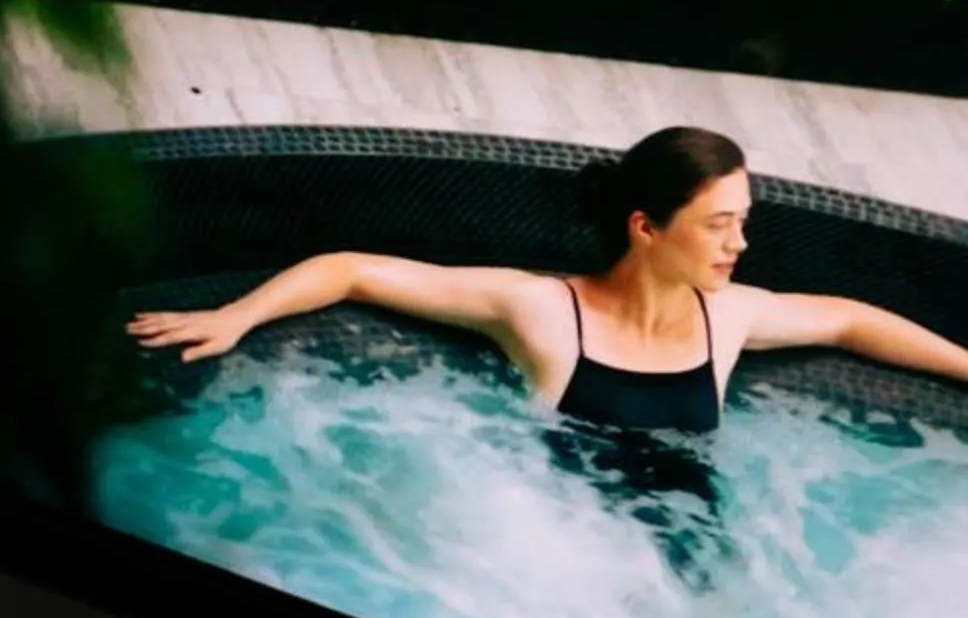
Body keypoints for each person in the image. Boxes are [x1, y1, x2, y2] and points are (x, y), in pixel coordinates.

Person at [123, 127, 968, 432]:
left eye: (743, 222)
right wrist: (237, 315)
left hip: (692, 551)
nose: (740, 245)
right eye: (719, 225)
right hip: (561, 553)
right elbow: (352, 270)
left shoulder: (732, 318)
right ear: (646, 228)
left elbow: (854, 321)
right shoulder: (542, 311)